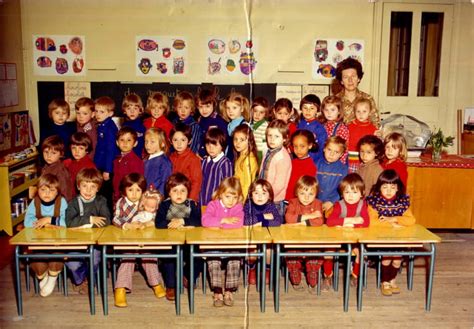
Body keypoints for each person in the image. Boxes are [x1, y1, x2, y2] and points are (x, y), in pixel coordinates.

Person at [112, 174, 165, 307]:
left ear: (143, 191)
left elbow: (157, 216)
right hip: (128, 240)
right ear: (124, 190)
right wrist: (127, 225)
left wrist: (149, 223)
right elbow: (116, 218)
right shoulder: (121, 202)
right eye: (130, 190)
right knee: (128, 258)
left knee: (149, 258)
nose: (134, 194)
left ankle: (156, 283)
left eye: (138, 190)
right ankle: (120, 288)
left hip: (146, 239)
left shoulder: (147, 200)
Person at [366, 169, 415, 296]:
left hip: (398, 237)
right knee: (386, 259)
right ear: (379, 188)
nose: (388, 191)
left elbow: (411, 220)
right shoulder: (374, 202)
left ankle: (392, 279)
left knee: (397, 260)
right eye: (385, 187)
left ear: (398, 188)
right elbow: (371, 221)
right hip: (383, 237)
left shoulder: (402, 202)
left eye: (392, 187)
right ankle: (385, 282)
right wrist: (390, 224)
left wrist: (395, 219)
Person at [155, 173, 202, 301]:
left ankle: (187, 276)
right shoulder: (164, 205)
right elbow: (159, 223)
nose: (179, 194)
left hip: (188, 242)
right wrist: (172, 223)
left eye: (183, 191)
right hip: (170, 242)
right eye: (175, 191)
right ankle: (171, 286)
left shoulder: (193, 205)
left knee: (198, 256)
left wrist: (183, 221)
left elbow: (198, 221)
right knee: (168, 257)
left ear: (188, 192)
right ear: (169, 193)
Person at [66, 168, 110, 294]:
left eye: (93, 187)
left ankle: (90, 279)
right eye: (84, 186)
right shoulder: (73, 202)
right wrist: (90, 219)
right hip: (76, 242)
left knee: (94, 259)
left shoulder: (101, 201)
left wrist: (81, 223)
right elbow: (69, 223)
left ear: (98, 188)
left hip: (94, 243)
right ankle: (80, 280)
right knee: (72, 263)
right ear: (78, 187)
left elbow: (105, 221)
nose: (88, 190)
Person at [201, 177, 244, 307]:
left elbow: (239, 223)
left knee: (235, 258)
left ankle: (229, 291)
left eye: (234, 197)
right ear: (220, 194)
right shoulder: (213, 205)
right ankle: (217, 291)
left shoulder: (238, 207)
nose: (231, 201)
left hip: (232, 244)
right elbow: (205, 221)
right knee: (213, 258)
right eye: (227, 196)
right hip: (214, 244)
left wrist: (216, 224)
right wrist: (223, 220)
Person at [24, 174, 68, 297]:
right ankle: (42, 276)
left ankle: (53, 277)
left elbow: (67, 222)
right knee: (37, 260)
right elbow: (27, 222)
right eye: (43, 190)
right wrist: (43, 224)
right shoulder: (35, 202)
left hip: (58, 242)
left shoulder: (62, 202)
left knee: (57, 257)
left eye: (51, 190)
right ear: (37, 190)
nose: (47, 193)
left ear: (57, 192)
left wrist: (49, 220)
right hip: (40, 241)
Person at [326, 173, 370, 288]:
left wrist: (349, 225)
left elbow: (366, 223)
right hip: (338, 239)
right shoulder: (339, 205)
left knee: (361, 254)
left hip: (353, 240)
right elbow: (330, 222)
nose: (351, 196)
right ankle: (327, 275)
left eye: (355, 192)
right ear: (342, 193)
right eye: (347, 192)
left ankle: (354, 275)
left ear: (362, 194)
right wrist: (352, 220)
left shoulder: (363, 205)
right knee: (328, 253)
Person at [284, 176, 324, 293]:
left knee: (314, 255)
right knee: (292, 255)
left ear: (316, 194)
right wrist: (309, 217)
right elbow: (288, 218)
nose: (306, 198)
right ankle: (295, 279)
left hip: (312, 240)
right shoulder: (293, 202)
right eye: (302, 193)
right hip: (294, 240)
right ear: (297, 192)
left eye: (311, 194)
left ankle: (312, 278)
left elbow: (319, 221)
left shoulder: (317, 203)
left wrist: (299, 223)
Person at [244, 179, 282, 284]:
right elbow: (246, 221)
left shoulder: (270, 205)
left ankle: (267, 270)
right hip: (252, 238)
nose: (260, 197)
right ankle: (252, 269)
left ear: (269, 195)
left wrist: (259, 222)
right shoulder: (248, 205)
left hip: (266, 238)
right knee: (252, 251)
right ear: (251, 195)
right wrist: (264, 217)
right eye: (256, 193)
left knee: (268, 251)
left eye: (263, 193)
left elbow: (278, 221)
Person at [258, 120, 292, 216]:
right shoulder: (269, 151)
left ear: (285, 138)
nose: (272, 139)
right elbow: (261, 172)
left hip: (274, 200)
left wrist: (266, 196)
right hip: (263, 196)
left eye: (276, 136)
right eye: (270, 136)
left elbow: (279, 184)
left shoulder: (282, 157)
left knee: (274, 228)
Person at [335, 57, 380, 126]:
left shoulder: (368, 99)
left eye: (353, 76)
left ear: (358, 78)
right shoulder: (335, 100)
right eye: (346, 77)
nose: (350, 80)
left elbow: (376, 124)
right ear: (341, 81)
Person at [93, 96, 119, 209]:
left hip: (107, 168)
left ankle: (107, 213)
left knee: (106, 193)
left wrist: (108, 170)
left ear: (110, 113)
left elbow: (110, 150)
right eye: (96, 111)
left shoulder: (109, 128)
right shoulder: (102, 125)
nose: (98, 114)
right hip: (100, 165)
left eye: (102, 112)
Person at [169, 123, 202, 202]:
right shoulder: (171, 157)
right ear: (170, 141)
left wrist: (190, 200)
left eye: (183, 140)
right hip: (173, 197)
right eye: (175, 140)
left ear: (189, 141)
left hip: (187, 198)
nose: (179, 143)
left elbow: (196, 183)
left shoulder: (193, 159)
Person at [200, 127, 233, 206]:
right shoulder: (204, 161)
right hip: (202, 201)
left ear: (222, 146)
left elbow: (227, 186)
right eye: (208, 144)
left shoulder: (225, 163)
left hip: (217, 204)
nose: (211, 148)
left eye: (215, 144)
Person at [316, 136, 348, 213]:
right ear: (324, 149)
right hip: (315, 202)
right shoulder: (315, 165)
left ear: (341, 154)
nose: (331, 154)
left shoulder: (343, 169)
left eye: (336, 152)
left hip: (333, 204)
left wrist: (332, 201)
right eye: (329, 149)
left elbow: (343, 189)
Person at [112, 127, 144, 204]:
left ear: (135, 143)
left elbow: (137, 183)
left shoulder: (135, 161)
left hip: (129, 197)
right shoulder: (117, 160)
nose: (125, 143)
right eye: (122, 140)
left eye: (129, 140)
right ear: (117, 142)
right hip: (117, 196)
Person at [347, 97, 379, 172]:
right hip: (351, 160)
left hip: (367, 161)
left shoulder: (373, 128)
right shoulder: (349, 126)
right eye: (358, 111)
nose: (361, 114)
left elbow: (375, 146)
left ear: (370, 112)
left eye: (364, 111)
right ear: (354, 112)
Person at [285, 130, 317, 201]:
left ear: (310, 145)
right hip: (286, 199)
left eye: (302, 146)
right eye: (295, 146)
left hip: (299, 202)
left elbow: (307, 189)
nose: (298, 150)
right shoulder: (292, 162)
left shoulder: (311, 167)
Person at [195, 88, 228, 158]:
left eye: (207, 106)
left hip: (215, 157)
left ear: (214, 104)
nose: (204, 110)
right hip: (201, 156)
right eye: (201, 107)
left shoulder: (219, 121)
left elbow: (225, 142)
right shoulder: (200, 120)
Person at [64, 132, 96, 197]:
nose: (76, 151)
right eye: (73, 148)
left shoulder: (89, 166)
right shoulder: (71, 162)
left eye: (81, 148)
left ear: (87, 150)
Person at [41, 135, 73, 201]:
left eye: (53, 153)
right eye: (46, 152)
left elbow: (65, 193)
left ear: (61, 154)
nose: (48, 156)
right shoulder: (46, 167)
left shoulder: (60, 171)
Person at [232, 124, 258, 200]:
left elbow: (248, 184)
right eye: (235, 139)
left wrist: (243, 202)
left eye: (242, 140)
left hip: (243, 198)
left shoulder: (248, 159)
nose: (237, 143)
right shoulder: (241, 155)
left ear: (249, 141)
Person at [297, 94, 326, 162]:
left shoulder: (320, 128)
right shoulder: (299, 125)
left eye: (312, 108)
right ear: (301, 109)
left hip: (313, 160)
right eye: (305, 108)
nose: (308, 111)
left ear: (317, 110)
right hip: (298, 159)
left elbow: (321, 147)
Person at [144, 128, 172, 195]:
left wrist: (159, 198)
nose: (147, 145)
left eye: (152, 142)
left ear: (162, 144)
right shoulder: (145, 159)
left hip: (155, 198)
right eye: (146, 141)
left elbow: (164, 183)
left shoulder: (164, 162)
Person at [321, 95, 349, 164]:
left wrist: (340, 164)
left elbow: (344, 149)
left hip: (337, 163)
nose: (329, 113)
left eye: (332, 110)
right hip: (322, 161)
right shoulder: (322, 126)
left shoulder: (341, 128)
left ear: (339, 111)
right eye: (326, 110)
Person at [121, 93, 146, 157]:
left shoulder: (143, 126)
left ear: (140, 110)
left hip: (138, 158)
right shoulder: (124, 126)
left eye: (135, 108)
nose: (132, 111)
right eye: (129, 108)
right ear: (124, 110)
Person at [250, 97, 269, 163]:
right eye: (255, 111)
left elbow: (265, 142)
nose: (257, 115)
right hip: (252, 151)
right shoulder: (251, 124)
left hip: (260, 152)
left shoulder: (265, 125)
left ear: (265, 114)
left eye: (261, 112)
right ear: (252, 110)